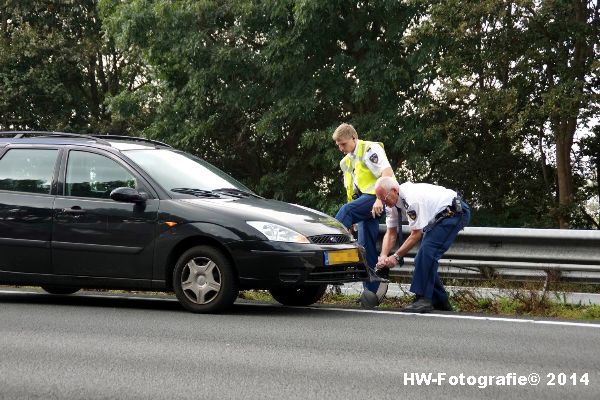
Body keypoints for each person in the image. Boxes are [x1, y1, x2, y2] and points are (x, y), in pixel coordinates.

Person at [375, 176, 470, 313]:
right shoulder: (391, 204)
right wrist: (383, 255)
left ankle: (424, 299)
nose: (384, 203)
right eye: (380, 199)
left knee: (426, 253)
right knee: (424, 257)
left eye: (384, 198)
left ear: (395, 190)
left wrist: (395, 257)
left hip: (454, 212)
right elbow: (390, 233)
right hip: (439, 217)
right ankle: (441, 301)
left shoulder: (411, 199)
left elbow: (416, 234)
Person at [332, 123, 394, 306]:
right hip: (365, 204)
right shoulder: (347, 161)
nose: (340, 148)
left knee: (346, 211)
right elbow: (351, 189)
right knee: (365, 247)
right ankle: (371, 295)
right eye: (338, 145)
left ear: (353, 138)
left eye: (342, 144)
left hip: (376, 199)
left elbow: (388, 173)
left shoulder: (369, 149)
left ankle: (331, 251)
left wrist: (378, 199)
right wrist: (351, 222)